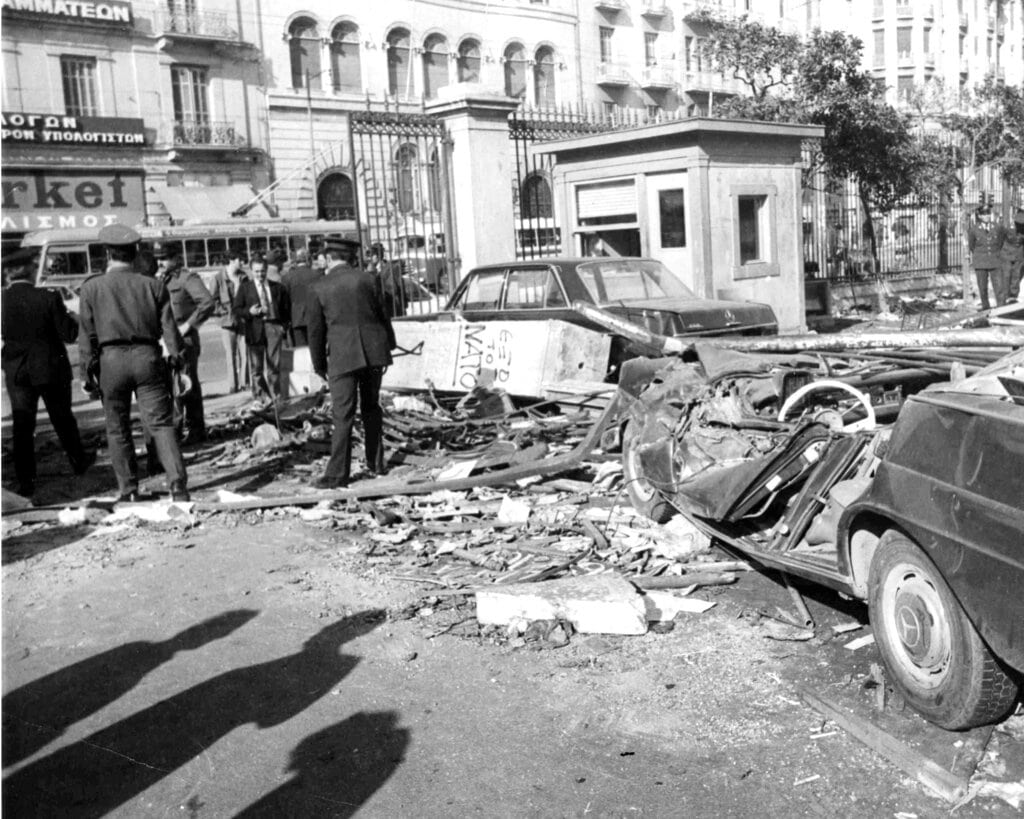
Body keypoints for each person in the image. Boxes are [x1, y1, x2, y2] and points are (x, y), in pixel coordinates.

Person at [77, 224, 188, 502]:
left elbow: (86, 337)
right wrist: (179, 363)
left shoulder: (91, 289)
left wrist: (86, 375)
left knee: (117, 428)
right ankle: (178, 487)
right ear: (135, 253)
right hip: (147, 358)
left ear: (106, 253)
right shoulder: (153, 285)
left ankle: (129, 491)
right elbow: (170, 331)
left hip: (110, 362)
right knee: (161, 424)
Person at [307, 238, 396, 489]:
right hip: (373, 352)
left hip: (342, 356)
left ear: (330, 257)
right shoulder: (368, 279)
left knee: (342, 414)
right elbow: (382, 315)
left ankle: (337, 475)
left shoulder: (320, 286)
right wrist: (388, 344)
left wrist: (319, 365)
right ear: (349, 257)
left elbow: (316, 332)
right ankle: (376, 463)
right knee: (372, 407)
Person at [1, 259, 93, 499]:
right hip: (50, 367)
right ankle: (78, 460)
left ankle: (26, 481)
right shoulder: (49, 297)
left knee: (22, 425)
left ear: (9, 275)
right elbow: (69, 334)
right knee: (62, 418)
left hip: (17, 370)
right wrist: (74, 317)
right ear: (31, 272)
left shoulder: (1, 300)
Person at [154, 244, 215, 442]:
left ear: (175, 258)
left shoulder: (187, 278)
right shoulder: (161, 279)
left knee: (184, 385)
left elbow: (207, 302)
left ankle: (190, 430)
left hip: (184, 339)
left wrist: (188, 326)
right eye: (159, 259)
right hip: (166, 339)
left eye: (164, 258)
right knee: (175, 386)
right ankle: (183, 430)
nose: (160, 262)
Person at [233, 253, 290, 403]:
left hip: (273, 328)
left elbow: (286, 308)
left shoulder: (277, 287)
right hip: (255, 330)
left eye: (262, 271)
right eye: (257, 271)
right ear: (251, 271)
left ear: (266, 270)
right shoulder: (245, 288)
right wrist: (249, 312)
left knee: (274, 366)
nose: (260, 274)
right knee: (256, 368)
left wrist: (283, 327)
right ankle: (260, 397)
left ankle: (275, 397)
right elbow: (237, 309)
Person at [211, 250, 249, 393]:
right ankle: (233, 385)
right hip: (227, 322)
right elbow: (212, 301)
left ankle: (245, 383)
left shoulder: (244, 278)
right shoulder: (218, 279)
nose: (242, 263)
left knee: (245, 353)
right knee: (230, 355)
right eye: (240, 260)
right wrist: (224, 312)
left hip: (243, 320)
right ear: (232, 260)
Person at [967, 205, 1009, 310]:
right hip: (980, 262)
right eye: (984, 214)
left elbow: (1001, 241)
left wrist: (996, 253)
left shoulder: (998, 227)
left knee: (999, 287)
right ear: (980, 216)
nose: (986, 216)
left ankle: (1002, 309)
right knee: (982, 288)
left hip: (995, 261)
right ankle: (986, 308)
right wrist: (980, 254)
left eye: (988, 214)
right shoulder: (974, 229)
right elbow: (972, 246)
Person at [280, 248, 321, 346]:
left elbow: (284, 301)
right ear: (308, 259)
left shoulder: (287, 277)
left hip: (296, 319)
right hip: (315, 318)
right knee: (316, 349)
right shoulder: (317, 275)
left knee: (300, 351)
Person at [367, 243, 405, 318]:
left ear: (377, 256)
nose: (369, 258)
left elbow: (393, 289)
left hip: (390, 307)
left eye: (370, 256)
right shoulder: (371, 268)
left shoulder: (388, 268)